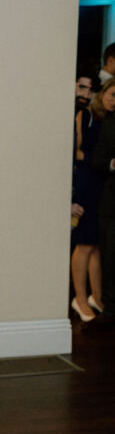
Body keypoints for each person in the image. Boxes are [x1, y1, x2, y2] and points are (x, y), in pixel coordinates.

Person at [71, 78, 115, 321]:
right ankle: (79, 297)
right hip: (87, 184)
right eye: (111, 94)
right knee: (85, 244)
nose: (113, 100)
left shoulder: (106, 120)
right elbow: (74, 152)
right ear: (103, 94)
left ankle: (95, 296)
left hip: (103, 186)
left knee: (97, 245)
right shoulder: (85, 116)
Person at [92, 78, 115, 318]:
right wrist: (111, 163)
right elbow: (96, 160)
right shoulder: (108, 125)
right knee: (109, 255)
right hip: (110, 202)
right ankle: (110, 305)